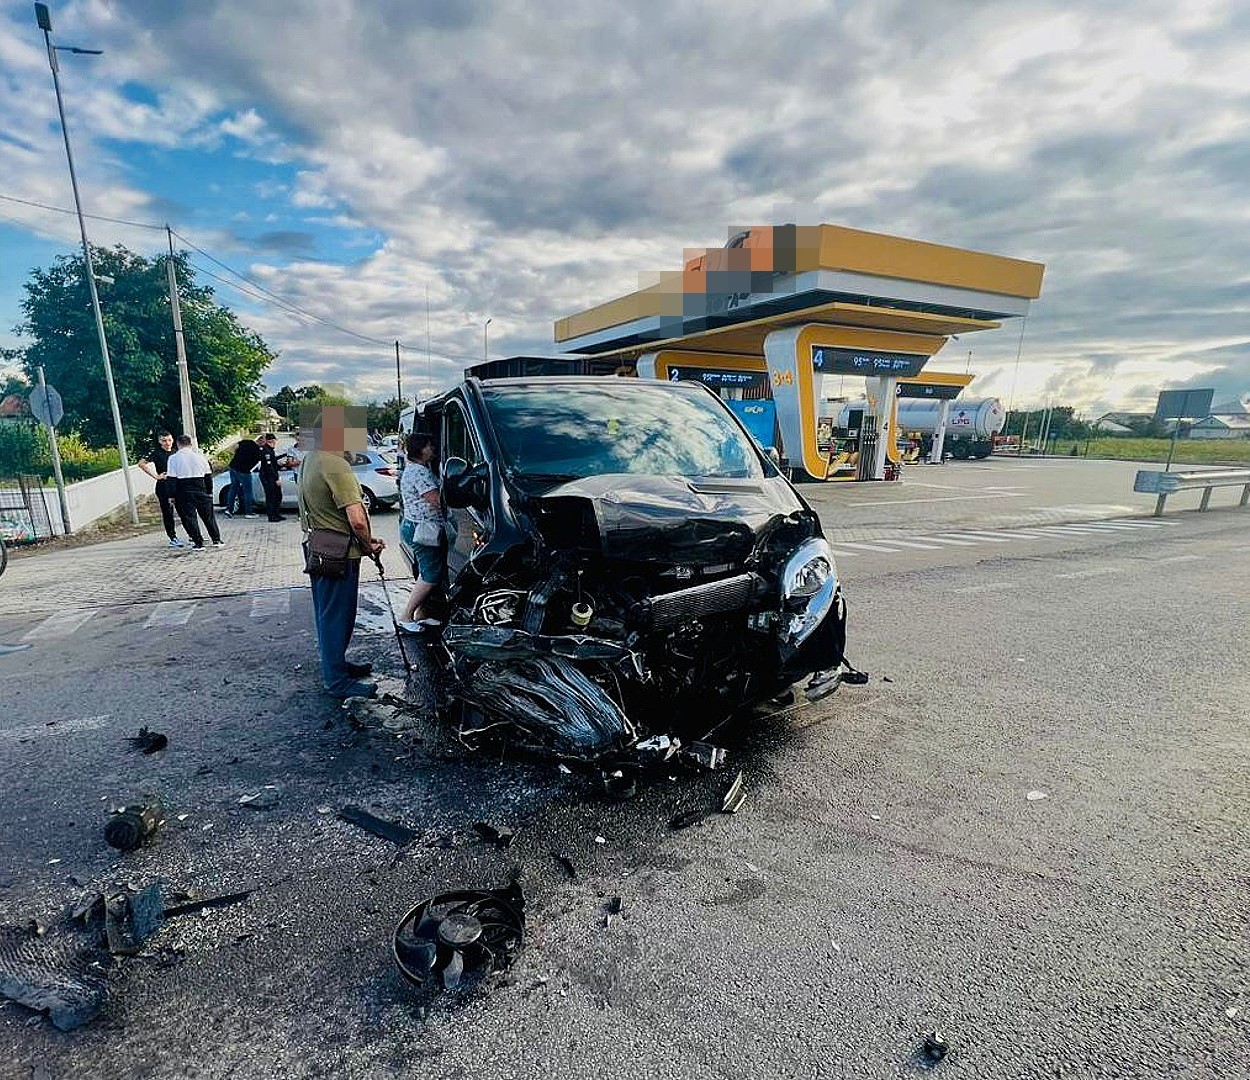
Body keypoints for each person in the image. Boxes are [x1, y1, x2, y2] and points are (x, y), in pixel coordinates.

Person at [297, 408, 385, 699]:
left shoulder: (311, 458)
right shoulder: (336, 464)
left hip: (318, 547)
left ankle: (336, 665)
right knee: (339, 616)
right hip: (338, 553)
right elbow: (357, 519)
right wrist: (369, 544)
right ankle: (336, 680)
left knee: (327, 614)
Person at [398, 432, 447, 633]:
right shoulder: (419, 472)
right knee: (430, 575)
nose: (433, 449)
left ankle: (422, 615)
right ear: (420, 449)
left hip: (416, 526)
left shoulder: (417, 469)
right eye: (429, 446)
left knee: (429, 570)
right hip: (422, 529)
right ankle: (406, 615)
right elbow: (436, 500)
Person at [166, 435, 223, 550]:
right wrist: (209, 492)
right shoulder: (200, 457)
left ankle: (198, 543)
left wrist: (171, 495)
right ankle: (216, 539)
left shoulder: (173, 458)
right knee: (208, 517)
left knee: (189, 517)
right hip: (200, 486)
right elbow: (208, 476)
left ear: (178, 444)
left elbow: (171, 479)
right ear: (190, 444)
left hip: (183, 489)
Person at [138, 431, 184, 548]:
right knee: (168, 513)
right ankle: (173, 538)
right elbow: (141, 463)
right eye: (164, 441)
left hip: (177, 485)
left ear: (173, 440)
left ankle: (192, 534)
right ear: (160, 442)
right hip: (163, 486)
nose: (167, 443)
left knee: (184, 510)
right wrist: (156, 476)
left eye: (169, 440)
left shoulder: (176, 452)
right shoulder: (157, 453)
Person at [225, 436, 262, 517]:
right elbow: (258, 462)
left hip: (233, 467)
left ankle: (229, 510)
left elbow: (235, 447)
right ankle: (249, 512)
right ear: (261, 442)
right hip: (244, 471)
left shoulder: (246, 442)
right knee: (248, 492)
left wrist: (237, 455)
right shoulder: (258, 451)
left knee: (233, 489)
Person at [258, 433, 285, 522]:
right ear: (271, 441)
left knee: (277, 496)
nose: (275, 443)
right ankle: (272, 516)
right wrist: (276, 479)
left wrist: (281, 462)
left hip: (270, 476)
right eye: (274, 441)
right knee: (271, 497)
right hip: (268, 477)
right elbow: (269, 467)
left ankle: (276, 514)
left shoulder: (270, 450)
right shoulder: (266, 451)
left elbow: (274, 462)